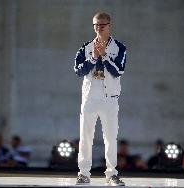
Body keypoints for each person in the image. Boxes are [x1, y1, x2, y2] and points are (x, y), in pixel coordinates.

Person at [74, 12, 127, 186]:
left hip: (109, 98)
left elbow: (118, 70)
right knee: (85, 136)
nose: (99, 28)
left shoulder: (119, 48)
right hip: (90, 97)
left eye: (102, 25)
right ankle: (83, 173)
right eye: (96, 25)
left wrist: (104, 55)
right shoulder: (86, 47)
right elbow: (78, 70)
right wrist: (94, 57)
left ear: (109, 26)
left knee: (111, 137)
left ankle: (111, 174)